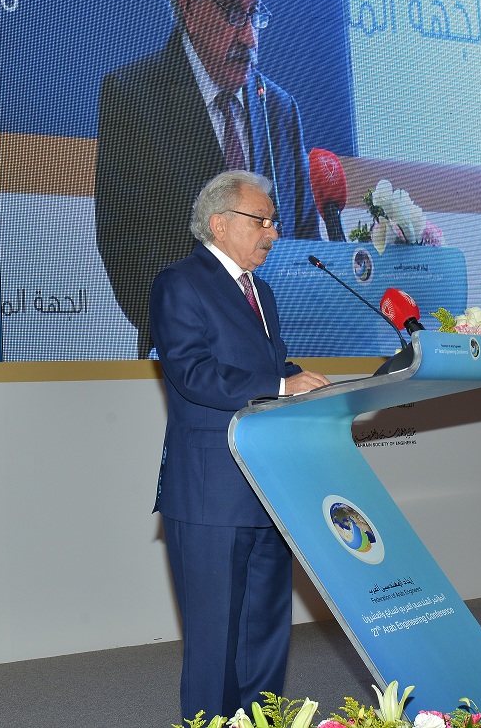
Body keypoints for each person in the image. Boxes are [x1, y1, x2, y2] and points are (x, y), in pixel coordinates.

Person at [96, 0, 320, 358]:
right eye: (233, 11)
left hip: (286, 365)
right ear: (187, 3)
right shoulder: (135, 98)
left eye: (254, 13)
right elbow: (126, 254)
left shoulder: (279, 110)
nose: (250, 37)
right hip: (193, 369)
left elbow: (307, 247)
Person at [149, 170, 331, 722]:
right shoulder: (180, 282)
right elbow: (193, 373)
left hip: (267, 483)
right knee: (215, 643)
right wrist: (281, 385)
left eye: (274, 222)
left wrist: (307, 381)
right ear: (219, 223)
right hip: (212, 491)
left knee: (266, 633)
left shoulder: (261, 292)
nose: (273, 233)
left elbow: (266, 365)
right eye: (262, 221)